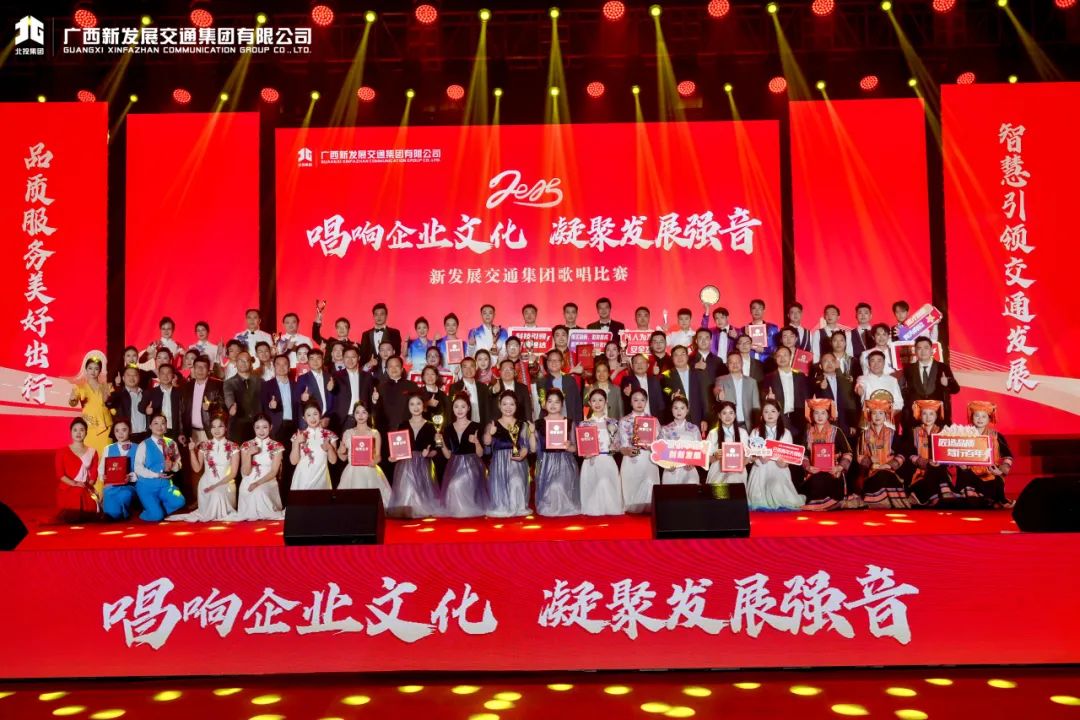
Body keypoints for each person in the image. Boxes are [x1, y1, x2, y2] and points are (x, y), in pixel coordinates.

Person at [169, 415, 238, 522]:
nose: (216, 430)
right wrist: (191, 451)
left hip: (226, 483)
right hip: (207, 482)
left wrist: (216, 485)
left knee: (217, 493)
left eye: (220, 426)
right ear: (210, 429)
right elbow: (197, 468)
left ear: (226, 428)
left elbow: (233, 473)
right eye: (213, 427)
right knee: (214, 494)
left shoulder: (233, 446)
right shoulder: (204, 445)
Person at [388, 392, 441, 518]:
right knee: (407, 487)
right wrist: (393, 457)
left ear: (423, 406)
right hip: (405, 463)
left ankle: (420, 510)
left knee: (421, 491)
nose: (415, 407)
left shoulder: (431, 426)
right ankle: (407, 510)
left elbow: (435, 450)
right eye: (412, 404)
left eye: (418, 403)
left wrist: (428, 454)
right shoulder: (403, 425)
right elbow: (398, 447)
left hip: (423, 464)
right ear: (408, 407)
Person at [746, 399, 805, 510]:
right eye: (766, 411)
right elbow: (751, 455)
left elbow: (788, 458)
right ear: (762, 415)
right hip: (760, 469)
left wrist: (783, 463)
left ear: (778, 413)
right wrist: (760, 458)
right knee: (758, 498)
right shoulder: (755, 432)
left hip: (779, 469)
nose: (770, 414)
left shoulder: (786, 433)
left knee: (776, 489)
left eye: (773, 411)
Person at [954, 401, 1014, 508]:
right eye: (977, 416)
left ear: (989, 419)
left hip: (989, 474)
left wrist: (1001, 470)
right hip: (968, 474)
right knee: (965, 477)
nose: (980, 419)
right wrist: (959, 463)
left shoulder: (996, 436)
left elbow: (1008, 456)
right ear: (972, 417)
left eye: (983, 416)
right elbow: (954, 454)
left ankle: (988, 499)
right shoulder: (963, 435)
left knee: (995, 483)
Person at [483, 391, 534, 518]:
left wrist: (523, 454)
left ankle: (517, 506)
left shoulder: (522, 424)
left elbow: (526, 446)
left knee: (516, 480)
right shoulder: (492, 424)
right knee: (501, 488)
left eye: (511, 404)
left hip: (517, 462)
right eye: (504, 404)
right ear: (499, 405)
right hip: (499, 463)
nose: (508, 407)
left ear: (516, 406)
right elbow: (487, 443)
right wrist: (490, 433)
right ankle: (503, 506)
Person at [437, 393, 487, 518]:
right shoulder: (448, 429)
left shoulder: (476, 426)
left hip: (473, 465)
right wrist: (440, 442)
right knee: (452, 485)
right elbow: (447, 455)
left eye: (463, 406)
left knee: (456, 484)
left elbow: (480, 453)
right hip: (454, 466)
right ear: (452, 408)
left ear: (468, 408)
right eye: (456, 406)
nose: (459, 410)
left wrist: (476, 442)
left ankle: (466, 509)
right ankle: (459, 510)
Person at [799, 399, 854, 511]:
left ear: (828, 415)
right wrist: (808, 467)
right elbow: (803, 455)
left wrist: (839, 467)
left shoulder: (836, 431)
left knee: (824, 479)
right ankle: (823, 503)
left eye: (823, 413)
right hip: (813, 472)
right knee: (816, 479)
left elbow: (848, 453)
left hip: (833, 473)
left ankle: (824, 503)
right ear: (812, 415)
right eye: (816, 413)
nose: (820, 416)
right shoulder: (808, 433)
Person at [534, 389, 581, 517]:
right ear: (545, 404)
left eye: (557, 402)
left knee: (560, 487)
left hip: (565, 462)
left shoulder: (569, 422)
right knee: (551, 489)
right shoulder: (538, 423)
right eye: (550, 401)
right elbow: (534, 448)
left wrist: (569, 447)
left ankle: (565, 507)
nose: (553, 405)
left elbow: (575, 448)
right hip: (546, 463)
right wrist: (532, 433)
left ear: (562, 404)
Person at [228, 415, 285, 521]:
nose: (261, 431)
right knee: (252, 492)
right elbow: (246, 472)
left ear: (271, 427)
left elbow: (273, 472)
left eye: (265, 427)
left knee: (259, 492)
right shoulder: (246, 445)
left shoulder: (277, 446)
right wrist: (249, 454)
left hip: (267, 481)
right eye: (257, 427)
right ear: (253, 428)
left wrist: (257, 483)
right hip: (249, 480)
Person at [856, 398, 910, 509]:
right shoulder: (864, 435)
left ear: (885, 416)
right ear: (869, 415)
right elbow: (859, 456)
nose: (877, 416)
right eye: (874, 413)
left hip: (889, 471)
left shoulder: (892, 434)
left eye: (881, 413)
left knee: (885, 474)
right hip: (871, 473)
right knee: (879, 475)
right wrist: (870, 462)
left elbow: (902, 455)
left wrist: (889, 465)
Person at [578, 389, 624, 516]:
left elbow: (617, 445)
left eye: (600, 400)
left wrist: (614, 447)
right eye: (594, 400)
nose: (597, 403)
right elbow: (581, 446)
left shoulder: (613, 422)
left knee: (606, 482)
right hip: (590, 461)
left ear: (606, 402)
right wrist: (585, 454)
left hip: (607, 459)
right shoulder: (584, 424)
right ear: (589, 403)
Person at [134, 414, 186, 521]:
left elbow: (179, 463)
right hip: (147, 486)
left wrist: (173, 465)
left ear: (166, 426)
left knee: (180, 501)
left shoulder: (171, 443)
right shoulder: (144, 444)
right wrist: (156, 475)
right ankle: (149, 512)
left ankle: (158, 510)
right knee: (156, 516)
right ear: (150, 426)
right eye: (156, 423)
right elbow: (138, 468)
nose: (159, 426)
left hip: (166, 485)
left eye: (163, 423)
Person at [905, 400, 957, 507]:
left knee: (937, 470)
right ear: (920, 415)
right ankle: (943, 495)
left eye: (931, 414)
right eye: (924, 413)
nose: (928, 417)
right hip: (920, 471)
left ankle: (925, 496)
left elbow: (949, 453)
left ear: (936, 416)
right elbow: (909, 453)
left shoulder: (943, 432)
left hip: (940, 469)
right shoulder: (914, 431)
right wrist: (924, 462)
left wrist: (940, 461)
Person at [339, 402, 391, 507]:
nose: (360, 415)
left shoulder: (374, 433)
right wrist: (341, 450)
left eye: (364, 412)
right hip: (352, 471)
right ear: (353, 415)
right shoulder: (348, 433)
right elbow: (343, 457)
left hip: (369, 469)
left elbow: (378, 456)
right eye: (357, 412)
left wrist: (374, 461)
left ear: (368, 414)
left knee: (371, 504)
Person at [901, 336, 961, 426]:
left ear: (932, 350)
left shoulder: (943, 367)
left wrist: (947, 383)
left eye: (926, 348)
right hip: (916, 417)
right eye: (919, 348)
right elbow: (903, 390)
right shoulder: (909, 369)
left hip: (939, 416)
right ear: (915, 351)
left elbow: (956, 389)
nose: (923, 351)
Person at [619, 388, 661, 512]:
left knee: (650, 488)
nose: (639, 403)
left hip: (649, 458)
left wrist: (652, 447)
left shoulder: (654, 420)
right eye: (635, 400)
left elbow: (661, 443)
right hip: (631, 459)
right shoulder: (624, 421)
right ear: (630, 402)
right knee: (632, 492)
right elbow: (621, 446)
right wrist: (627, 451)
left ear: (646, 402)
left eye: (642, 400)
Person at [762, 346, 810, 443]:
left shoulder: (800, 376)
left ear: (790, 356)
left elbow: (806, 397)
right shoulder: (769, 377)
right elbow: (763, 394)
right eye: (779, 356)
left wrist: (808, 419)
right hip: (779, 417)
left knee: (798, 445)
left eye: (785, 355)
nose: (782, 358)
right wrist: (768, 397)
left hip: (798, 418)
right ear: (775, 358)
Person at [56, 418, 99, 521]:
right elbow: (60, 474)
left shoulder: (93, 451)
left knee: (92, 507)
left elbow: (94, 474)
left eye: (82, 430)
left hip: (85, 487)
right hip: (67, 488)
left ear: (86, 432)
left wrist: (88, 486)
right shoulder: (62, 452)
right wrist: (74, 483)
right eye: (75, 430)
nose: (78, 433)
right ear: (71, 432)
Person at [289, 403, 338, 493]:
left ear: (320, 415)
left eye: (315, 414)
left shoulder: (330, 435)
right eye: (308, 415)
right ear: (304, 418)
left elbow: (333, 461)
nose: (312, 418)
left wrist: (329, 448)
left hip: (321, 479)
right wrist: (296, 442)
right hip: (302, 480)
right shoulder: (298, 435)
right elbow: (293, 461)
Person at [69, 354, 112, 452]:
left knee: (106, 456)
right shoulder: (80, 387)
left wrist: (109, 401)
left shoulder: (107, 387)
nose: (93, 371)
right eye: (90, 368)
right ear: (86, 370)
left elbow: (113, 406)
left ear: (100, 371)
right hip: (89, 427)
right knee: (90, 456)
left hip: (106, 427)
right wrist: (72, 399)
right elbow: (73, 402)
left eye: (96, 369)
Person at [660, 345, 709, 429]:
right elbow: (665, 389)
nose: (679, 357)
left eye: (682, 354)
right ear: (672, 358)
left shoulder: (698, 373)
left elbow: (705, 397)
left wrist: (705, 418)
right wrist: (672, 395)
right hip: (675, 420)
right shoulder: (666, 375)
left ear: (687, 357)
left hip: (696, 419)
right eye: (676, 355)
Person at [180, 355, 225, 446]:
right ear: (193, 369)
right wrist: (181, 432)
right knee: (193, 455)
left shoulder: (218, 385)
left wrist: (211, 406)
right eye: (197, 367)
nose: (200, 370)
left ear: (208, 370)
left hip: (210, 432)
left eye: (204, 367)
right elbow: (181, 411)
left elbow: (223, 406)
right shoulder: (186, 387)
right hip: (191, 433)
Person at [812, 352, 860, 438]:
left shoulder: (846, 381)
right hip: (824, 425)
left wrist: (852, 423)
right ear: (820, 366)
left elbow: (851, 403)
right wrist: (821, 389)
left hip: (845, 424)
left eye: (832, 361)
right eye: (825, 361)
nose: (829, 363)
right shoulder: (815, 382)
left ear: (836, 364)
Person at [98, 419, 138, 520]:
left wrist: (131, 477)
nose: (120, 433)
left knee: (124, 494)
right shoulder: (108, 448)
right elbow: (101, 468)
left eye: (124, 430)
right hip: (111, 485)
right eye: (117, 430)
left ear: (130, 430)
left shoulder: (138, 448)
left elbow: (141, 470)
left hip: (130, 486)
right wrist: (103, 476)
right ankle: (112, 515)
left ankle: (116, 516)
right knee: (108, 492)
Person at [659, 396, 703, 485]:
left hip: (689, 470)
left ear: (687, 410)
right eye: (676, 408)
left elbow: (701, 450)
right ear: (671, 409)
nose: (679, 411)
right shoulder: (665, 429)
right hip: (671, 470)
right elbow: (660, 451)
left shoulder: (694, 429)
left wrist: (693, 462)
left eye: (682, 408)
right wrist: (666, 464)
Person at [705, 401, 749, 485]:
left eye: (731, 413)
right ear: (719, 415)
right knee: (718, 488)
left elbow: (748, 456)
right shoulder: (713, 433)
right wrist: (715, 457)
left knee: (734, 480)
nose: (728, 416)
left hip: (738, 470)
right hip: (718, 468)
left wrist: (740, 465)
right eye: (724, 413)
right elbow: (707, 457)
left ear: (735, 415)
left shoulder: (742, 433)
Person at [715, 350, 761, 430]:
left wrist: (757, 426)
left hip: (747, 426)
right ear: (727, 365)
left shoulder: (752, 382)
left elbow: (756, 406)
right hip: (728, 424)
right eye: (731, 362)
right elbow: (717, 390)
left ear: (742, 363)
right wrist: (719, 395)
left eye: (737, 362)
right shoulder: (721, 380)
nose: (735, 364)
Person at [332, 346, 374, 432]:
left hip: (363, 419)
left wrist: (374, 400)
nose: (350, 360)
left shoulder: (367, 376)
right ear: (343, 358)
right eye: (347, 357)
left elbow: (371, 399)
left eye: (353, 357)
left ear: (358, 358)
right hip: (344, 419)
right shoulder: (335, 376)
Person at [261, 354, 300, 445]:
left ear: (289, 367)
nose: (281, 367)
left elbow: (299, 406)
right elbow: (262, 406)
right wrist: (270, 405)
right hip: (276, 426)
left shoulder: (296, 385)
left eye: (284, 364)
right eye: (278, 364)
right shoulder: (266, 385)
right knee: (277, 452)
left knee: (294, 452)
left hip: (294, 426)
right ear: (274, 367)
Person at [855, 351, 903, 422]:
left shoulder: (892, 380)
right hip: (868, 420)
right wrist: (859, 389)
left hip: (888, 421)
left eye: (879, 361)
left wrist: (887, 414)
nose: (876, 364)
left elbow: (899, 402)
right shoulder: (862, 378)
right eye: (873, 361)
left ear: (884, 363)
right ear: (868, 364)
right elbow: (859, 387)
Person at [223, 351, 261, 443]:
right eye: (241, 360)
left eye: (247, 360)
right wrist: (231, 406)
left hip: (258, 427)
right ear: (236, 363)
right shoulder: (229, 383)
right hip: (237, 428)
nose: (244, 363)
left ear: (251, 363)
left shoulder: (260, 381)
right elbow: (228, 395)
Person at [537, 350, 583, 423]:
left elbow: (577, 404)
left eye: (557, 360)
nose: (553, 362)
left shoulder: (570, 380)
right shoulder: (542, 381)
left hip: (569, 421)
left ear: (562, 363)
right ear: (547, 363)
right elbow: (543, 403)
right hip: (549, 422)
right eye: (550, 360)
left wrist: (578, 423)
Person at [107, 366, 150, 443]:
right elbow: (109, 403)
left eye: (135, 375)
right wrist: (116, 386)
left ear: (139, 377)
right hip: (126, 436)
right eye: (128, 375)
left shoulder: (146, 394)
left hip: (145, 436)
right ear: (123, 378)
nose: (131, 377)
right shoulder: (118, 394)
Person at [139, 363, 182, 440]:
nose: (165, 376)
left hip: (174, 432)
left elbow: (183, 414)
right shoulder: (150, 392)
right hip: (156, 431)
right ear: (158, 375)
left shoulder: (179, 393)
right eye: (162, 373)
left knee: (172, 447)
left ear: (173, 375)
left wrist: (181, 433)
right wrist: (146, 410)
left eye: (168, 373)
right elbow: (140, 407)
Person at [297, 348, 335, 429]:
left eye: (318, 358)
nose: (315, 361)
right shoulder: (302, 378)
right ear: (308, 361)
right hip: (310, 422)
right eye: (312, 359)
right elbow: (297, 401)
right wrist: (302, 398)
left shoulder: (330, 377)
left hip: (328, 420)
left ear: (322, 360)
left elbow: (335, 401)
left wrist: (328, 417)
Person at [619, 353, 665, 419]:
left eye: (642, 362)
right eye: (636, 363)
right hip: (634, 420)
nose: (639, 365)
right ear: (632, 366)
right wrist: (628, 396)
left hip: (652, 419)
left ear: (648, 365)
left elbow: (660, 404)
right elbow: (624, 403)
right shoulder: (627, 380)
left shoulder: (654, 380)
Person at [449, 356, 491, 428]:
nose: (468, 369)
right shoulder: (455, 387)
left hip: (481, 425)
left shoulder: (483, 387)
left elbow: (487, 409)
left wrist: (488, 426)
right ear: (461, 369)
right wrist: (461, 395)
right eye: (465, 367)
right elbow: (451, 409)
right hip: (462, 427)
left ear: (476, 368)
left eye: (471, 366)